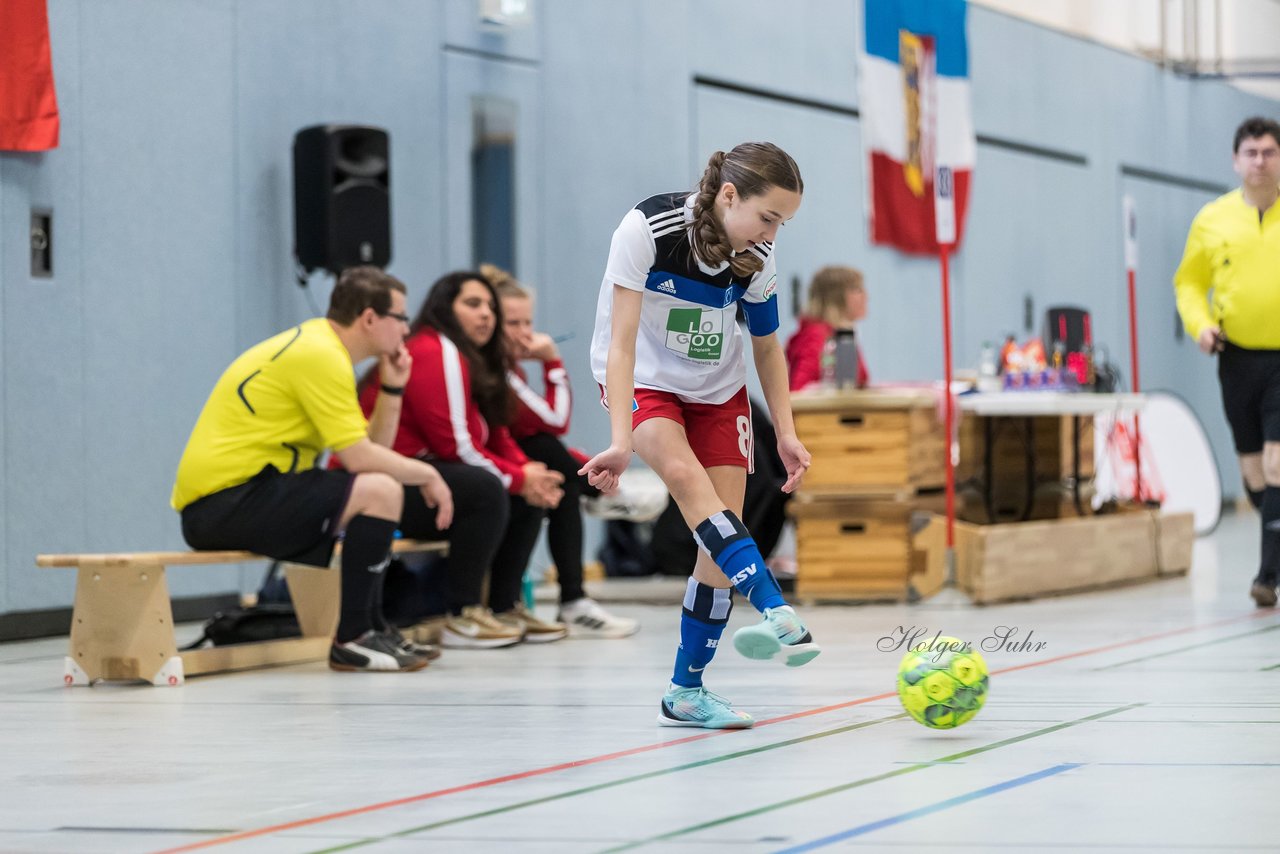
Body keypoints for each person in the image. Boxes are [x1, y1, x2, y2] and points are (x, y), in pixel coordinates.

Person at [580, 141, 821, 729]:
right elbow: (622, 341)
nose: (772, 234)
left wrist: (785, 433)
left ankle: (685, 691)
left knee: (717, 546)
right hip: (644, 380)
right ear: (729, 195)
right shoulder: (648, 229)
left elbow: (766, 348)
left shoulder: (757, 258)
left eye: (783, 223)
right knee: (689, 484)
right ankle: (775, 607)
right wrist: (619, 439)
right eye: (768, 218)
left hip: (716, 391)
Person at [172, 266, 454, 672]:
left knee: (380, 488)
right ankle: (354, 637)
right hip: (223, 503)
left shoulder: (321, 348)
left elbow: (372, 451)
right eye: (401, 318)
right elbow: (361, 461)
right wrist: (429, 475)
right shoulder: (319, 355)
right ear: (370, 319)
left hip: (247, 494)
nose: (406, 330)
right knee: (381, 490)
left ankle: (370, 628)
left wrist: (392, 388)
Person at [360, 270, 570, 645]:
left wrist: (525, 473)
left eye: (490, 306)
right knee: (485, 488)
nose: (486, 315)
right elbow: (455, 446)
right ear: (445, 308)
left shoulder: (470, 358)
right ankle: (462, 613)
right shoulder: (436, 349)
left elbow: (496, 432)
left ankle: (504, 606)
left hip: (423, 477)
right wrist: (519, 478)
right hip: (380, 483)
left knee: (527, 485)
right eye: (473, 304)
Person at [484, 263, 640, 638]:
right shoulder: (495, 371)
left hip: (502, 459)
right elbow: (555, 418)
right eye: (513, 324)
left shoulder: (509, 370)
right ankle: (573, 598)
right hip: (475, 467)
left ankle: (592, 487)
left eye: (528, 323)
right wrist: (553, 360)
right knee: (551, 456)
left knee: (555, 464)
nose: (525, 335)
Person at [1175, 116, 1280, 609]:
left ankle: (1267, 577)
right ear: (1236, 161)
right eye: (1252, 153)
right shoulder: (1211, 219)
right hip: (1236, 359)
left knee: (1279, 464)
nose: (1260, 161)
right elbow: (1189, 284)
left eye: (1269, 152)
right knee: (1256, 475)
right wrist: (1200, 325)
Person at [785, 265, 870, 391]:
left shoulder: (841, 335)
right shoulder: (816, 336)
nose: (866, 296)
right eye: (856, 289)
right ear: (835, 295)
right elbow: (799, 390)